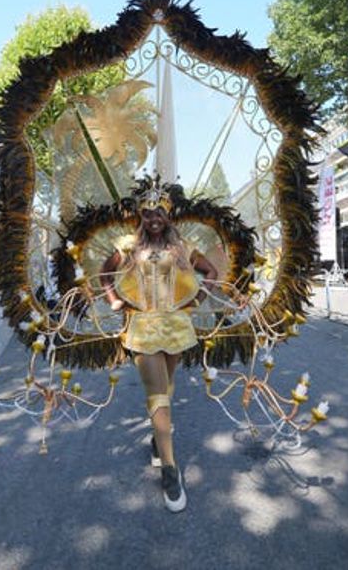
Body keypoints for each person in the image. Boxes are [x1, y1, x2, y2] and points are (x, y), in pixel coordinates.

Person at [100, 187, 218, 513]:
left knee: (166, 386)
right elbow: (104, 274)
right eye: (148, 213)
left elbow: (211, 272)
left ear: (168, 215)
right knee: (157, 394)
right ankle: (169, 468)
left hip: (177, 325)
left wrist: (196, 301)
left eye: (159, 212)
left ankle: (157, 439)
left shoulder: (183, 248)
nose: (153, 218)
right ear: (142, 215)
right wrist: (114, 300)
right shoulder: (128, 246)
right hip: (142, 326)